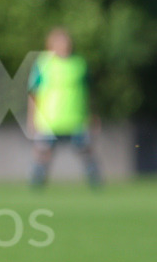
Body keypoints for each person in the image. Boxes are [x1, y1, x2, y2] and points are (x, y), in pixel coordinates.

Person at [28, 27, 102, 189]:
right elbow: (34, 93)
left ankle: (96, 185)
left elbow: (88, 93)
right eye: (59, 42)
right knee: (43, 155)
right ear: (51, 44)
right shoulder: (43, 63)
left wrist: (92, 115)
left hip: (76, 119)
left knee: (86, 152)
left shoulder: (79, 64)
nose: (63, 45)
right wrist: (31, 118)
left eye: (65, 41)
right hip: (49, 120)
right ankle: (37, 187)